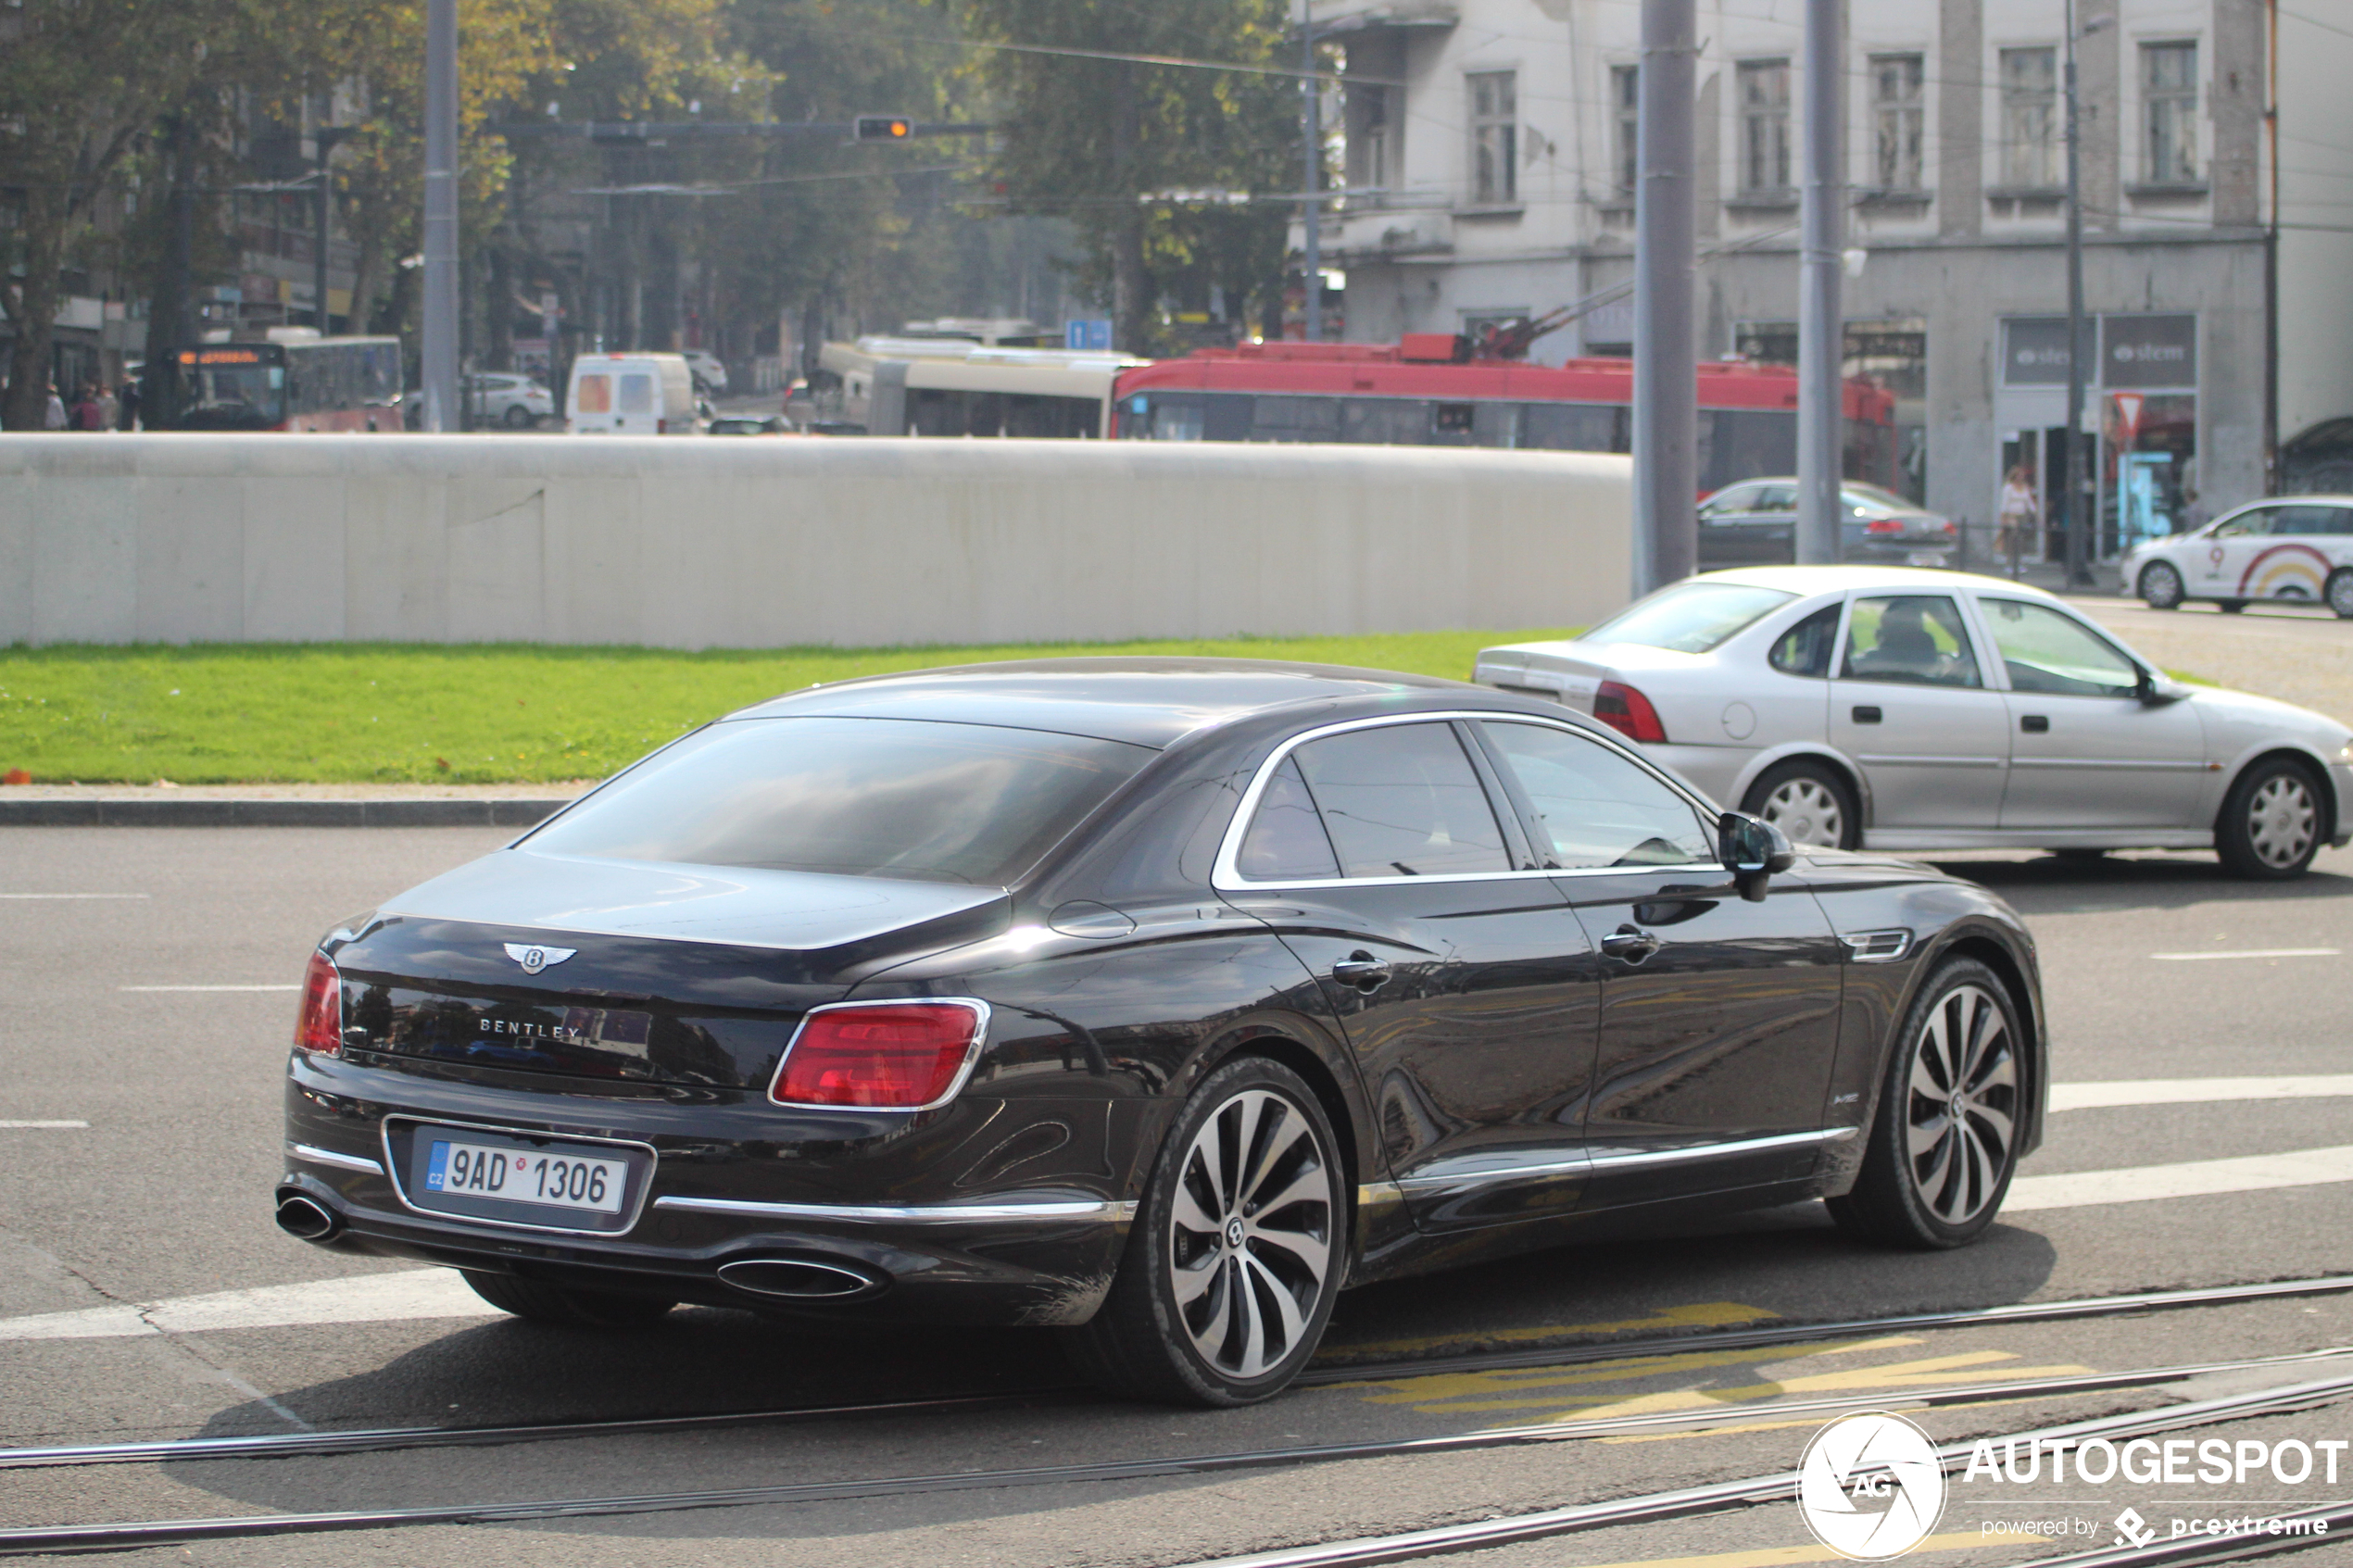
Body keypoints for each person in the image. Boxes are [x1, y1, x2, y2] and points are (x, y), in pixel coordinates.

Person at [1996, 464, 2038, 568]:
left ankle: (2018, 562)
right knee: (2013, 538)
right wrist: (2003, 517)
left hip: (2022, 516)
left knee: (2021, 540)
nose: (2021, 478)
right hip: (2012, 516)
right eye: (2019, 475)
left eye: (2022, 476)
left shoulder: (2025, 488)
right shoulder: (2008, 488)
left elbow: (2029, 502)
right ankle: (2009, 563)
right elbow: (2004, 503)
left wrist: (2035, 513)